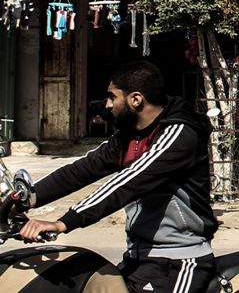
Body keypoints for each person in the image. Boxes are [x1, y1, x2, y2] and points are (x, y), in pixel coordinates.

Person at [19, 61, 217, 293]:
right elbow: (82, 170)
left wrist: (63, 222)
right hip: (137, 257)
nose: (108, 104)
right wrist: (26, 199)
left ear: (136, 99)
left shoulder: (179, 135)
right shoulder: (129, 136)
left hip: (179, 261)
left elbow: (128, 182)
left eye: (113, 97)